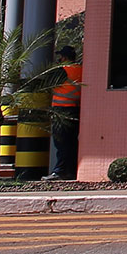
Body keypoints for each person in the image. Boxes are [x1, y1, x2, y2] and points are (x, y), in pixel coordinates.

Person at [45, 46, 82, 180]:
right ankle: (71, 171)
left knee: (61, 142)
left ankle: (59, 171)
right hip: (76, 109)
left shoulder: (61, 71)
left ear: (64, 58)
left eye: (60, 57)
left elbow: (48, 84)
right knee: (72, 142)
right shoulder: (81, 69)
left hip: (61, 110)